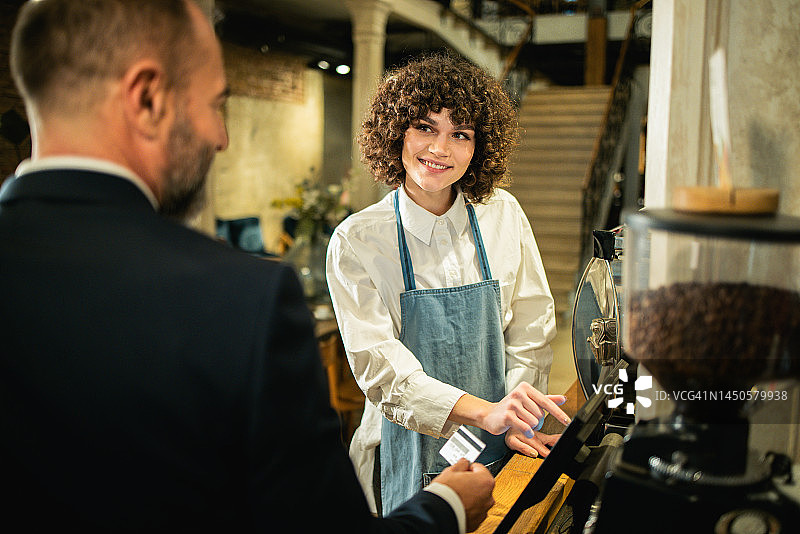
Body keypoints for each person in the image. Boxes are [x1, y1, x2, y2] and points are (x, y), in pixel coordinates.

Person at [0, 1, 495, 532]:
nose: (221, 137)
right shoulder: (241, 301)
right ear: (146, 97)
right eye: (215, 104)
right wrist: (446, 505)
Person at [326, 52, 572, 515]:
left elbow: (531, 330)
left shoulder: (504, 213)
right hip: (400, 450)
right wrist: (485, 414)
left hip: (501, 441)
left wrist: (515, 414)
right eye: (425, 127)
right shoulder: (358, 241)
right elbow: (383, 371)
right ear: (394, 131)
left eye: (460, 134)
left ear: (480, 147)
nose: (441, 149)